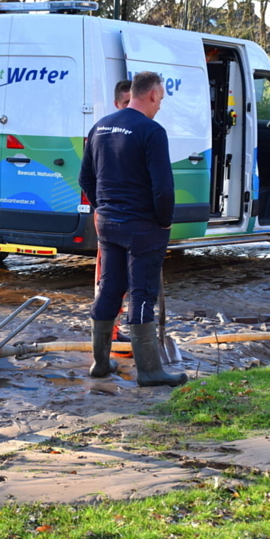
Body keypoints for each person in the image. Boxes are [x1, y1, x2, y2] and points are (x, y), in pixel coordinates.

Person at [79, 71, 188, 387]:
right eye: (162, 99)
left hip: (108, 225)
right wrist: (164, 220)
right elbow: (163, 188)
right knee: (142, 292)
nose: (160, 106)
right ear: (153, 94)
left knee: (110, 287)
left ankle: (101, 363)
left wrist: (103, 208)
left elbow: (85, 178)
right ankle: (151, 371)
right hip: (143, 227)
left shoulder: (100, 127)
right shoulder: (151, 131)